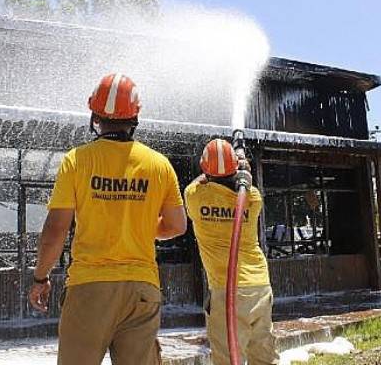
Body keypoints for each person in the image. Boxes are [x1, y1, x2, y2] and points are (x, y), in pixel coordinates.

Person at [28, 74, 187, 365]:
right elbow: (178, 225)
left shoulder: (77, 160)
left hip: (90, 288)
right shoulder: (158, 164)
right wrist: (138, 226)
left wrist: (40, 277)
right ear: (135, 116)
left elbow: (55, 230)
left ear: (95, 116)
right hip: (142, 289)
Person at [184, 139, 279, 365]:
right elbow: (247, 186)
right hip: (259, 286)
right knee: (264, 356)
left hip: (226, 290)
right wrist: (243, 171)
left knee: (228, 359)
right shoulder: (252, 198)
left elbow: (198, 181)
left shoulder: (195, 196)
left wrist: (217, 171)